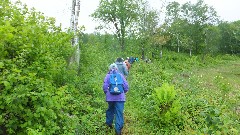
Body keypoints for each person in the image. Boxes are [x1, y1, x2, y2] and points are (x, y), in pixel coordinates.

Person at [103, 63, 129, 135]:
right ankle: (118, 131)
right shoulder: (121, 75)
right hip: (120, 98)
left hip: (110, 98)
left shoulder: (108, 76)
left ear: (109, 69)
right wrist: (124, 92)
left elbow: (105, 87)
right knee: (119, 113)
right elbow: (126, 86)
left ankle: (109, 125)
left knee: (110, 110)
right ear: (117, 69)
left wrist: (107, 93)